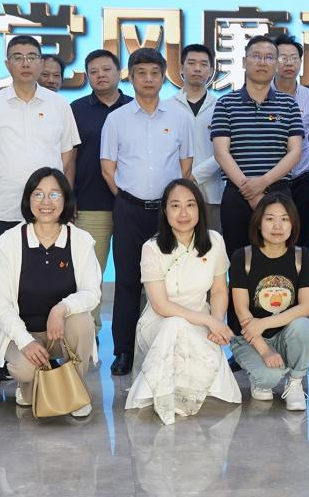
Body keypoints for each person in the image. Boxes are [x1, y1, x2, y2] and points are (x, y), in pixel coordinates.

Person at [101, 48, 193, 375]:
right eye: (141, 73)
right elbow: (108, 169)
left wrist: (172, 206)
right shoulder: (116, 119)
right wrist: (129, 199)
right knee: (127, 281)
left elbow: (186, 166)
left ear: (163, 76)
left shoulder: (179, 117)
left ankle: (170, 347)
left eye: (155, 73)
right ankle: (124, 351)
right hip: (129, 210)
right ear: (131, 77)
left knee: (171, 281)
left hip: (168, 214)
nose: (148, 79)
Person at [126, 179, 240, 423]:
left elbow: (220, 290)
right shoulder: (152, 248)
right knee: (175, 324)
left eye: (190, 205)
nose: (183, 213)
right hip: (159, 323)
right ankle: (166, 397)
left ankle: (183, 391)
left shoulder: (215, 241)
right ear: (165, 211)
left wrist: (216, 321)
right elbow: (161, 306)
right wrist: (209, 321)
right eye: (175, 206)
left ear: (200, 208)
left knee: (182, 327)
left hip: (202, 319)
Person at [0, 168, 100, 418]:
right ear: (28, 200)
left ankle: (77, 390)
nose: (46, 202)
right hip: (24, 333)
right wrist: (25, 341)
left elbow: (92, 292)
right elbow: (1, 307)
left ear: (65, 199)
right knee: (25, 369)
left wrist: (62, 309)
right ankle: (29, 385)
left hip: (60, 333)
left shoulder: (81, 240)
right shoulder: (9, 242)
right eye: (38, 194)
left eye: (54, 194)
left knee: (82, 321)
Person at [0, 35, 81, 245]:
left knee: (47, 263)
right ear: (7, 64)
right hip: (5, 205)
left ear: (41, 62)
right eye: (17, 57)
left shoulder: (59, 105)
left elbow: (66, 157)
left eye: (32, 57)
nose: (25, 63)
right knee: (6, 262)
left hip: (48, 207)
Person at [212, 35, 303, 256]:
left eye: (269, 57)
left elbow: (295, 152)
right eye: (256, 56)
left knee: (280, 259)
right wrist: (250, 192)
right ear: (244, 62)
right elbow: (221, 152)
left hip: (279, 194)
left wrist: (263, 182)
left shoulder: (289, 104)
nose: (262, 62)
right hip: (237, 195)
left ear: (276, 64)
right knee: (237, 258)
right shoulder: (225, 103)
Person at [228, 192, 309, 410]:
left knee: (304, 326)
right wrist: (264, 349)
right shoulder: (242, 257)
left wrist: (264, 323)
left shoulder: (302, 256)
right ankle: (261, 376)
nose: (277, 226)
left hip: (285, 335)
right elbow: (241, 310)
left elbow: (306, 307)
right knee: (268, 378)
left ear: (293, 224)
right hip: (249, 337)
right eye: (270, 219)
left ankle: (295, 382)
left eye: (284, 219)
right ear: (259, 223)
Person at [70, 48, 132, 330]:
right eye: (93, 72)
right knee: (89, 273)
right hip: (90, 203)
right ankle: (89, 331)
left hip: (133, 203)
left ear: (119, 73)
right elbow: (69, 158)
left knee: (135, 272)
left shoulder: (135, 107)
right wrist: (69, 196)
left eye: (106, 70)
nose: (100, 76)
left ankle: (136, 332)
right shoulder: (76, 109)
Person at [273, 34, 309, 248]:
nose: (289, 63)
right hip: (270, 182)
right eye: (282, 58)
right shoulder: (262, 95)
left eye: (294, 58)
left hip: (301, 181)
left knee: (301, 242)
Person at [172, 44, 223, 231]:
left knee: (212, 243)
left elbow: (225, 152)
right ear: (181, 68)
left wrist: (194, 175)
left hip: (212, 194)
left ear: (211, 71)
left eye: (203, 64)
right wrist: (182, 177)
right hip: (174, 192)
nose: (197, 69)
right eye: (191, 63)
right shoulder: (167, 107)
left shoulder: (222, 107)